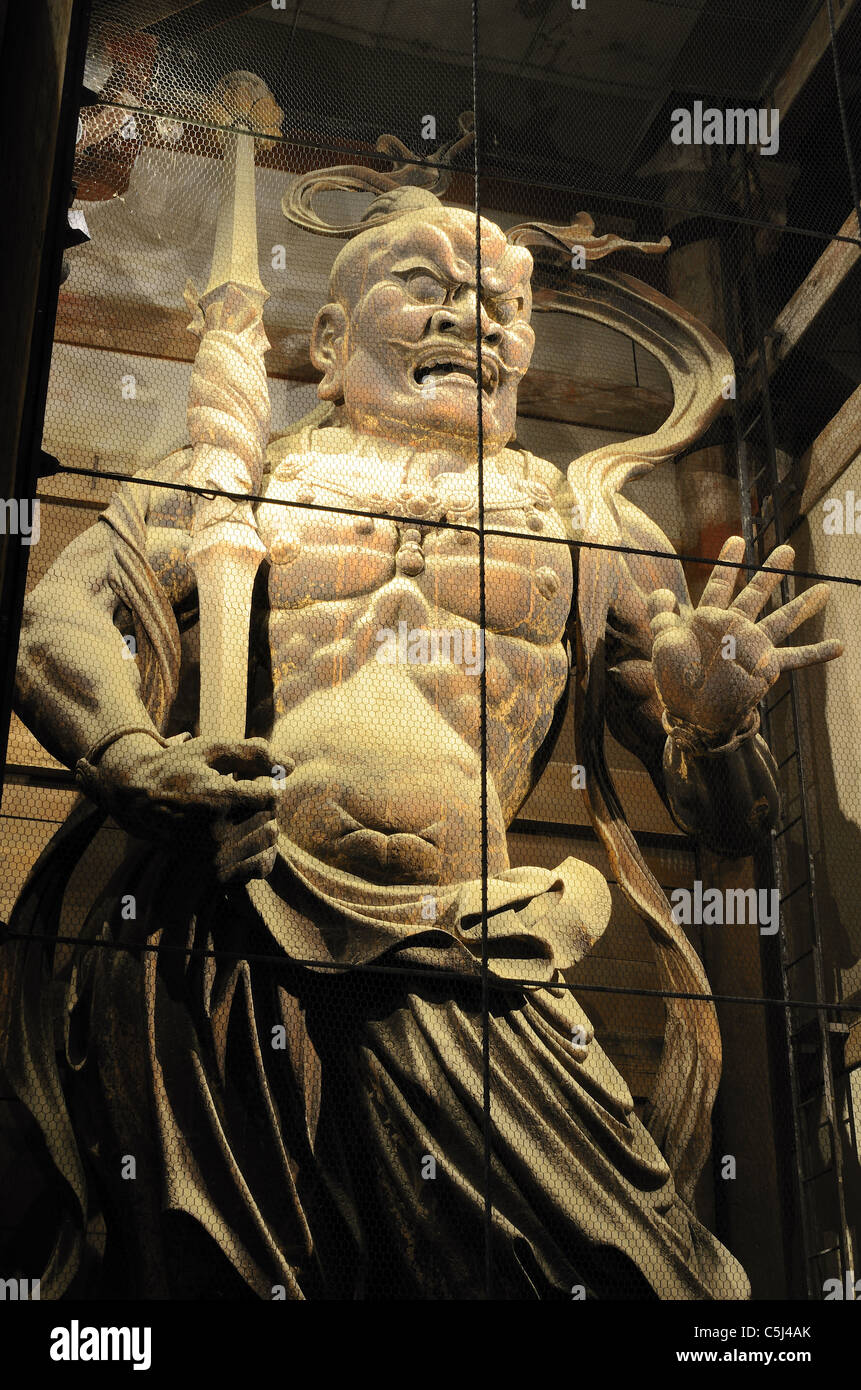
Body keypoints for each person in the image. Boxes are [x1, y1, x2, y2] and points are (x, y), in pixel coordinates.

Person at [3, 190, 840, 1300]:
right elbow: (56, 617)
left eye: (501, 305)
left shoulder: (585, 527)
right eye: (428, 287)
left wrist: (720, 723)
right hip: (250, 932)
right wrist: (129, 753)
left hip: (482, 955)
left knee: (673, 1289)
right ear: (335, 342)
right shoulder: (233, 472)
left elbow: (730, 820)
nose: (472, 320)